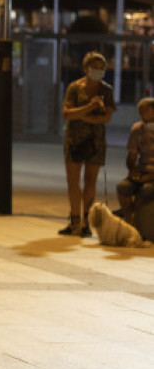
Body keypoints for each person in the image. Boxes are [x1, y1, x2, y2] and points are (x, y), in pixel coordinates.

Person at [61, 51, 115, 236]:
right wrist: (90, 108)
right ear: (86, 69)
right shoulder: (74, 88)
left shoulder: (106, 90)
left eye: (101, 69)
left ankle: (86, 221)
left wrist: (81, 115)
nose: (98, 72)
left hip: (96, 141)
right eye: (94, 68)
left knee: (90, 180)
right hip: (74, 139)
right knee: (72, 181)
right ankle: (74, 219)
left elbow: (106, 118)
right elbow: (66, 114)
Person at [116, 97, 154, 226]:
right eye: (140, 112)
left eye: (146, 111)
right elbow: (132, 156)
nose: (142, 115)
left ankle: (134, 217)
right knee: (123, 187)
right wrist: (133, 170)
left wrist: (149, 177)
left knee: (146, 190)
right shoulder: (137, 129)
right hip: (143, 172)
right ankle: (129, 220)